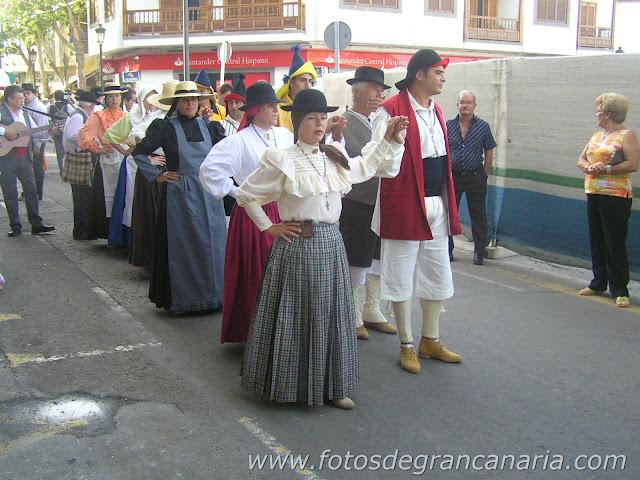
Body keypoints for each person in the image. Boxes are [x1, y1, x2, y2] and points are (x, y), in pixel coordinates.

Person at [237, 89, 407, 409]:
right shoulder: (282, 159)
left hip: (332, 245)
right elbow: (246, 195)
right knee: (299, 317)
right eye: (312, 118)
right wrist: (268, 226)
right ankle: (291, 386)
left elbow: (368, 166)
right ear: (298, 121)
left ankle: (334, 384)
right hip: (298, 246)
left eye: (323, 118)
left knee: (334, 317)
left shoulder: (333, 156)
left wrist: (391, 138)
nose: (319, 124)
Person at [370, 49, 463, 374]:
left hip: (436, 201)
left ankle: (430, 339)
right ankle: (407, 344)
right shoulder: (389, 110)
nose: (443, 78)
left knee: (437, 269)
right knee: (399, 273)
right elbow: (377, 162)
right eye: (438, 72)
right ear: (419, 74)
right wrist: (393, 141)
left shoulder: (436, 111)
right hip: (405, 202)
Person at [200, 82, 294, 343]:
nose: (275, 110)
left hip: (284, 210)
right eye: (270, 106)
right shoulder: (239, 141)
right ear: (254, 110)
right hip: (253, 214)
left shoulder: (285, 136)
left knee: (283, 272)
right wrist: (238, 193)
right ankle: (256, 333)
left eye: (276, 105)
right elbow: (209, 171)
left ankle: (280, 330)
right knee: (258, 272)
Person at [131, 81, 227, 312]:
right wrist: (157, 176)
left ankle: (215, 297)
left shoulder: (210, 127)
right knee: (184, 245)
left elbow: (225, 153)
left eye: (194, 99)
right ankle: (187, 300)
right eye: (185, 99)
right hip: (180, 194)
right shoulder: (164, 128)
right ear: (176, 103)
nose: (190, 103)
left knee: (213, 244)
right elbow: (140, 152)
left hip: (209, 193)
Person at [339, 66, 397, 340]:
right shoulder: (344, 123)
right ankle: (352, 311)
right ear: (358, 92)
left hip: (380, 200)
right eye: (375, 89)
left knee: (377, 256)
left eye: (382, 90)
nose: (380, 94)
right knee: (357, 257)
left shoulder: (381, 121)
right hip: (356, 200)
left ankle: (371, 308)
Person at [577, 93, 639, 308]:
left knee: (614, 240)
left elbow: (633, 164)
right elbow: (581, 158)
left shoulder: (626, 135)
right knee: (597, 238)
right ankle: (598, 282)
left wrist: (608, 168)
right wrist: (588, 167)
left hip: (615, 194)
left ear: (609, 114)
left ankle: (620, 289)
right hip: (593, 190)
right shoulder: (597, 135)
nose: (597, 114)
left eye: (599, 110)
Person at [103, 85, 164, 249]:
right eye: (148, 99)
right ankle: (130, 240)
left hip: (153, 167)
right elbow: (110, 135)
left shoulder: (161, 116)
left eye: (154, 99)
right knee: (132, 201)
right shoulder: (132, 117)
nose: (151, 103)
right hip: (133, 166)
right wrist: (126, 151)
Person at [128, 80, 177, 270]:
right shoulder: (157, 121)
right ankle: (152, 263)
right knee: (153, 217)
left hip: (165, 170)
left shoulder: (167, 120)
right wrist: (150, 160)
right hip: (157, 172)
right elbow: (134, 140)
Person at [447, 90, 497, 265]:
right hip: (453, 177)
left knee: (478, 215)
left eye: (468, 102)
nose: (465, 105)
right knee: (449, 214)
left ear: (474, 105)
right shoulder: (448, 126)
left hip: (475, 176)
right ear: (457, 104)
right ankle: (448, 249)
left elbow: (489, 149)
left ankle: (479, 252)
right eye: (462, 102)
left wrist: (484, 174)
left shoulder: (483, 127)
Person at [0, 85, 55, 236]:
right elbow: (7, 132)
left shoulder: (25, 114)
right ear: (9, 99)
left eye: (23, 99)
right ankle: (15, 226)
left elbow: (35, 131)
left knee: (31, 190)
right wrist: (5, 131)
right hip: (6, 158)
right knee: (10, 193)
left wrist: (48, 131)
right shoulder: (1, 111)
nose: (21, 102)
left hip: (25, 157)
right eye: (18, 99)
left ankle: (36, 224)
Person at [78, 82, 128, 240]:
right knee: (105, 197)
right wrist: (98, 149)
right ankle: (106, 232)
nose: (114, 99)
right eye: (111, 96)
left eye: (117, 96)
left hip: (124, 158)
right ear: (105, 98)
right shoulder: (98, 116)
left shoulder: (126, 115)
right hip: (107, 159)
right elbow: (83, 135)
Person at [62, 89, 101, 240]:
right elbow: (73, 135)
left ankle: (83, 228)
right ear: (89, 105)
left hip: (82, 157)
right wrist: (90, 139)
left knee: (84, 196)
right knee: (81, 197)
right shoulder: (79, 116)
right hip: (80, 158)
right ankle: (80, 230)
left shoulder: (79, 114)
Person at [275, 45, 317, 133]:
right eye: (302, 80)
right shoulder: (277, 109)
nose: (308, 85)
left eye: (310, 81)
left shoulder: (313, 108)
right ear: (291, 83)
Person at [22, 83, 49, 199]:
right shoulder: (25, 106)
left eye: (28, 93)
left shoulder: (39, 108)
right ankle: (29, 192)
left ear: (34, 94)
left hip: (37, 142)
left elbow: (43, 129)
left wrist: (37, 144)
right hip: (27, 142)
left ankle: (37, 193)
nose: (25, 96)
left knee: (37, 168)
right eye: (23, 94)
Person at [49, 90, 74, 176]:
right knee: (68, 150)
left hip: (57, 131)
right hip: (66, 130)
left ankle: (62, 170)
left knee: (60, 152)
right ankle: (69, 169)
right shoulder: (67, 106)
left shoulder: (52, 107)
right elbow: (73, 114)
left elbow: (51, 119)